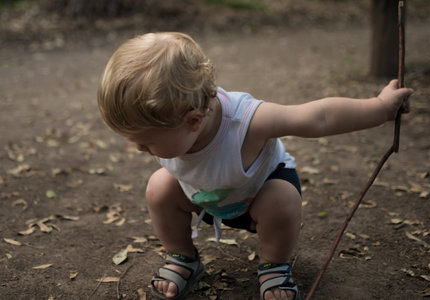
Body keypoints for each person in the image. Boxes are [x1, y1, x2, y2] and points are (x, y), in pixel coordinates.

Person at [97, 32, 413, 300]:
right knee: (159, 187)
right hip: (210, 198)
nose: (138, 149)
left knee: (281, 198)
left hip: (258, 195)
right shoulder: (170, 127)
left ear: (193, 121)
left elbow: (319, 117)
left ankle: (274, 264)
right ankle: (183, 257)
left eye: (147, 142)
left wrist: (381, 108)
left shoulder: (247, 123)